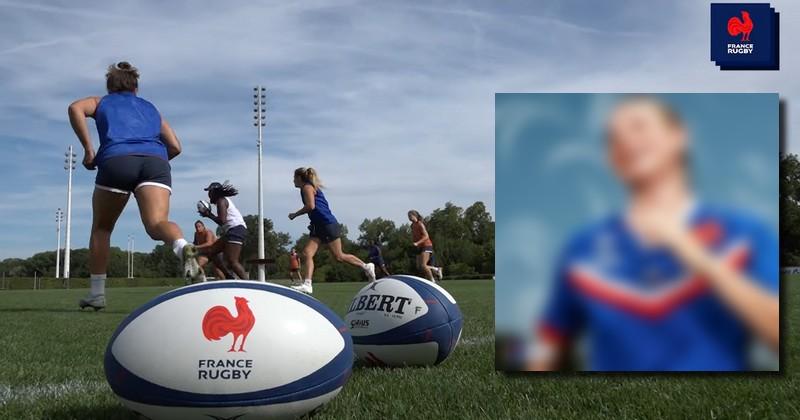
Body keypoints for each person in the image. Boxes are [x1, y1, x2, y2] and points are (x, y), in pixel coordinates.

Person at [529, 96, 779, 371]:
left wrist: (691, 251)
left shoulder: (744, 232)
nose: (625, 140)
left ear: (679, 136)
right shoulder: (581, 248)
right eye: (613, 137)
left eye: (639, 126)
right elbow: (549, 339)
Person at [68, 61, 201, 310]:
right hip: (156, 162)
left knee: (102, 228)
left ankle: (97, 294)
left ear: (110, 86)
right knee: (157, 224)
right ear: (135, 87)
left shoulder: (101, 102)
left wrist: (89, 150)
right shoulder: (150, 109)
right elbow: (175, 146)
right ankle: (183, 247)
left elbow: (75, 108)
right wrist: (152, 164)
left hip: (116, 159)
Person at [288, 167, 376, 294]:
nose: (293, 181)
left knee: (339, 256)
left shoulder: (307, 187)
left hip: (327, 224)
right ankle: (307, 284)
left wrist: (295, 214)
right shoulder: (307, 188)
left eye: (294, 178)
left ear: (299, 178)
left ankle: (366, 266)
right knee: (307, 253)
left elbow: (311, 206)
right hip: (318, 226)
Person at [197, 181, 249, 280]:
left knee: (232, 261)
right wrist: (209, 215)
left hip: (236, 230)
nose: (209, 195)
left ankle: (248, 284)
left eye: (210, 192)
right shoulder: (221, 201)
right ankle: (228, 276)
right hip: (232, 231)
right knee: (211, 252)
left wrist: (209, 215)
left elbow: (222, 221)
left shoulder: (221, 201)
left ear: (215, 192)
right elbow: (223, 222)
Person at [408, 210, 443, 282]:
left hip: (426, 245)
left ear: (415, 216)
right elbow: (415, 235)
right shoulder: (412, 226)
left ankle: (432, 280)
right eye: (408, 216)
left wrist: (417, 243)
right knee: (419, 267)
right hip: (419, 247)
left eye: (410, 216)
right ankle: (436, 269)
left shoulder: (420, 224)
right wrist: (414, 242)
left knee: (423, 265)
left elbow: (426, 236)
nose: (409, 218)